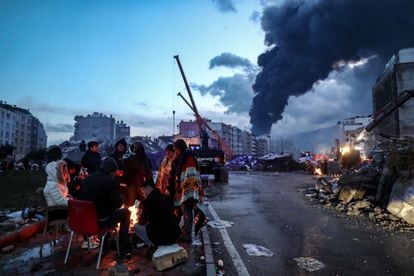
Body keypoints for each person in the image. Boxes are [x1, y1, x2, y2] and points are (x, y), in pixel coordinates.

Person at [81, 157, 131, 255]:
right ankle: (123, 247)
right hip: (101, 221)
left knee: (105, 212)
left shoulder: (88, 178)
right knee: (126, 213)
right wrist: (120, 197)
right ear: (112, 171)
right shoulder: (110, 181)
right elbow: (118, 203)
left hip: (87, 220)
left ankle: (104, 246)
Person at [134, 179, 181, 257]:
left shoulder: (148, 201)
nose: (143, 194)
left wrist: (140, 216)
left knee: (136, 226)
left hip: (161, 237)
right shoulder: (166, 197)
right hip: (174, 234)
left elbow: (142, 222)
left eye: (143, 191)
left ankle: (152, 244)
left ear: (148, 189)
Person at [171, 139, 206, 242]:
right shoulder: (183, 157)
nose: (175, 152)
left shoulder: (189, 158)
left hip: (190, 190)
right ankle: (186, 231)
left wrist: (187, 190)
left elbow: (190, 175)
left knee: (187, 211)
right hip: (186, 189)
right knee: (185, 210)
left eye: (176, 149)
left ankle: (187, 234)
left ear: (179, 148)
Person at [122, 142, 153, 206]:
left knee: (131, 199)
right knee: (144, 198)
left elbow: (129, 167)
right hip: (145, 182)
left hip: (136, 182)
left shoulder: (134, 158)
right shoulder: (145, 158)